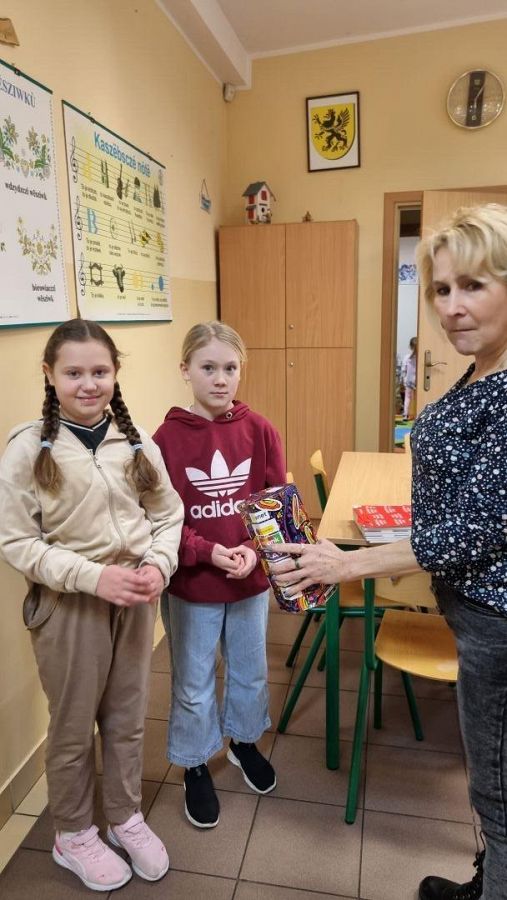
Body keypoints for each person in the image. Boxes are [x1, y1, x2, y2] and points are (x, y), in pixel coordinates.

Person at [271, 204, 507, 900]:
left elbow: (476, 529)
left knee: (497, 793)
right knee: (493, 784)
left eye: (473, 285)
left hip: (496, 619)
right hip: (470, 609)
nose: (451, 308)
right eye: (441, 289)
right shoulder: (483, 369)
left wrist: (346, 563)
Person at [0, 319, 184, 892]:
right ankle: (73, 833)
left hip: (135, 601)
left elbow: (168, 515)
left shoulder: (136, 440)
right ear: (49, 375)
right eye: (74, 372)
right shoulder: (27, 448)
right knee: (74, 726)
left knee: (128, 717)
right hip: (68, 607)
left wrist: (158, 565)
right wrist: (93, 577)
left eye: (99, 371)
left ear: (115, 373)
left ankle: (124, 815)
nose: (88, 384)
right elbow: (16, 541)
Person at [153, 320, 285, 829]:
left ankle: (243, 743)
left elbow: (274, 503)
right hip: (194, 586)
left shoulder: (261, 430)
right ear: (185, 370)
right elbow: (161, 521)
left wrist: (253, 549)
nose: (221, 379)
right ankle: (194, 762)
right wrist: (207, 552)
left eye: (230, 368)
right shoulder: (164, 440)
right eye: (208, 367)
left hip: (248, 582)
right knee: (193, 681)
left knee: (250, 670)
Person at [401, 336, 417, 419]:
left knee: (407, 397)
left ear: (410, 346)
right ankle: (418, 413)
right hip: (417, 380)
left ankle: (405, 414)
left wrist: (404, 380)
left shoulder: (407, 357)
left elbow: (404, 370)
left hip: (409, 380)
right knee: (417, 397)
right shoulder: (420, 357)